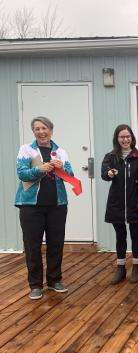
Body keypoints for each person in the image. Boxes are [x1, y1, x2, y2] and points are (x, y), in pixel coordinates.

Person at [15, 116, 73, 300]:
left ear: (51, 130)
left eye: (44, 128)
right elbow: (22, 173)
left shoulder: (60, 152)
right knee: (32, 246)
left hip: (57, 205)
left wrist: (62, 167)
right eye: (37, 129)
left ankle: (55, 280)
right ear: (33, 132)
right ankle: (35, 285)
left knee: (56, 244)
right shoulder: (26, 149)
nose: (41, 132)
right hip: (31, 206)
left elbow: (70, 176)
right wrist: (39, 169)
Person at [101, 124, 138, 284]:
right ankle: (120, 267)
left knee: (135, 234)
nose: (125, 139)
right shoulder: (111, 157)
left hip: (135, 203)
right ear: (117, 139)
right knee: (120, 236)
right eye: (122, 137)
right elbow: (104, 174)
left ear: (132, 138)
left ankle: (136, 266)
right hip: (116, 204)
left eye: (128, 136)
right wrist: (108, 173)